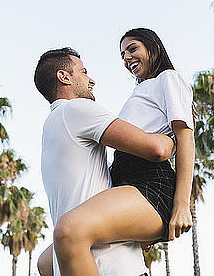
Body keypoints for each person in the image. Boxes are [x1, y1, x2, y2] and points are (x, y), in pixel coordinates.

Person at [51, 28, 195, 276]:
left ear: (153, 47)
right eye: (122, 55)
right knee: (47, 262)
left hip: (151, 183)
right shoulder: (139, 92)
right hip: (123, 183)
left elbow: (185, 136)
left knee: (70, 231)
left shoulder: (168, 78)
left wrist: (182, 205)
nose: (127, 58)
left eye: (132, 49)